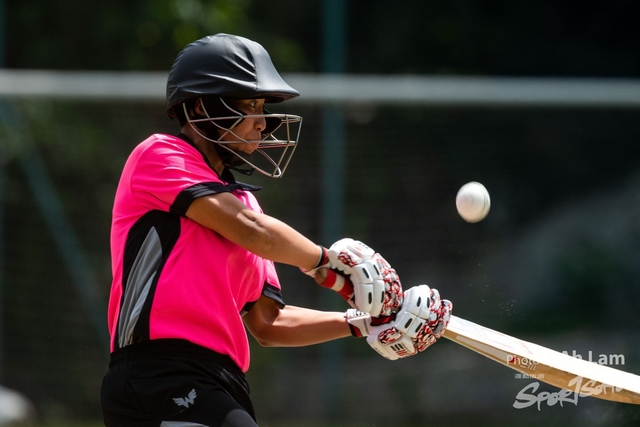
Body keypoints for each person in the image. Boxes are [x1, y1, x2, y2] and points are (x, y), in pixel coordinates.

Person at [100, 33, 452, 427]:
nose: (262, 121)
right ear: (199, 106)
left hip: (221, 383)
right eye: (249, 105)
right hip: (157, 376)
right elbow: (252, 231)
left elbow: (269, 324)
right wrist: (328, 261)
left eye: (262, 107)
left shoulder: (244, 203)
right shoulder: (161, 155)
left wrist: (363, 323)